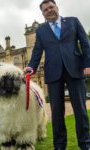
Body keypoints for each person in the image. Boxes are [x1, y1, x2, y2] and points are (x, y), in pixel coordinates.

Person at [25, 0, 90, 150]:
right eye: (45, 10)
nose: (49, 11)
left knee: (80, 109)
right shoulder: (41, 30)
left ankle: (85, 144)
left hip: (75, 69)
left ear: (57, 7)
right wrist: (31, 67)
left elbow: (85, 43)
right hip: (53, 72)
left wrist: (87, 64)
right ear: (42, 14)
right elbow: (37, 51)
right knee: (57, 112)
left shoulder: (73, 21)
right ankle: (59, 146)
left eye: (51, 7)